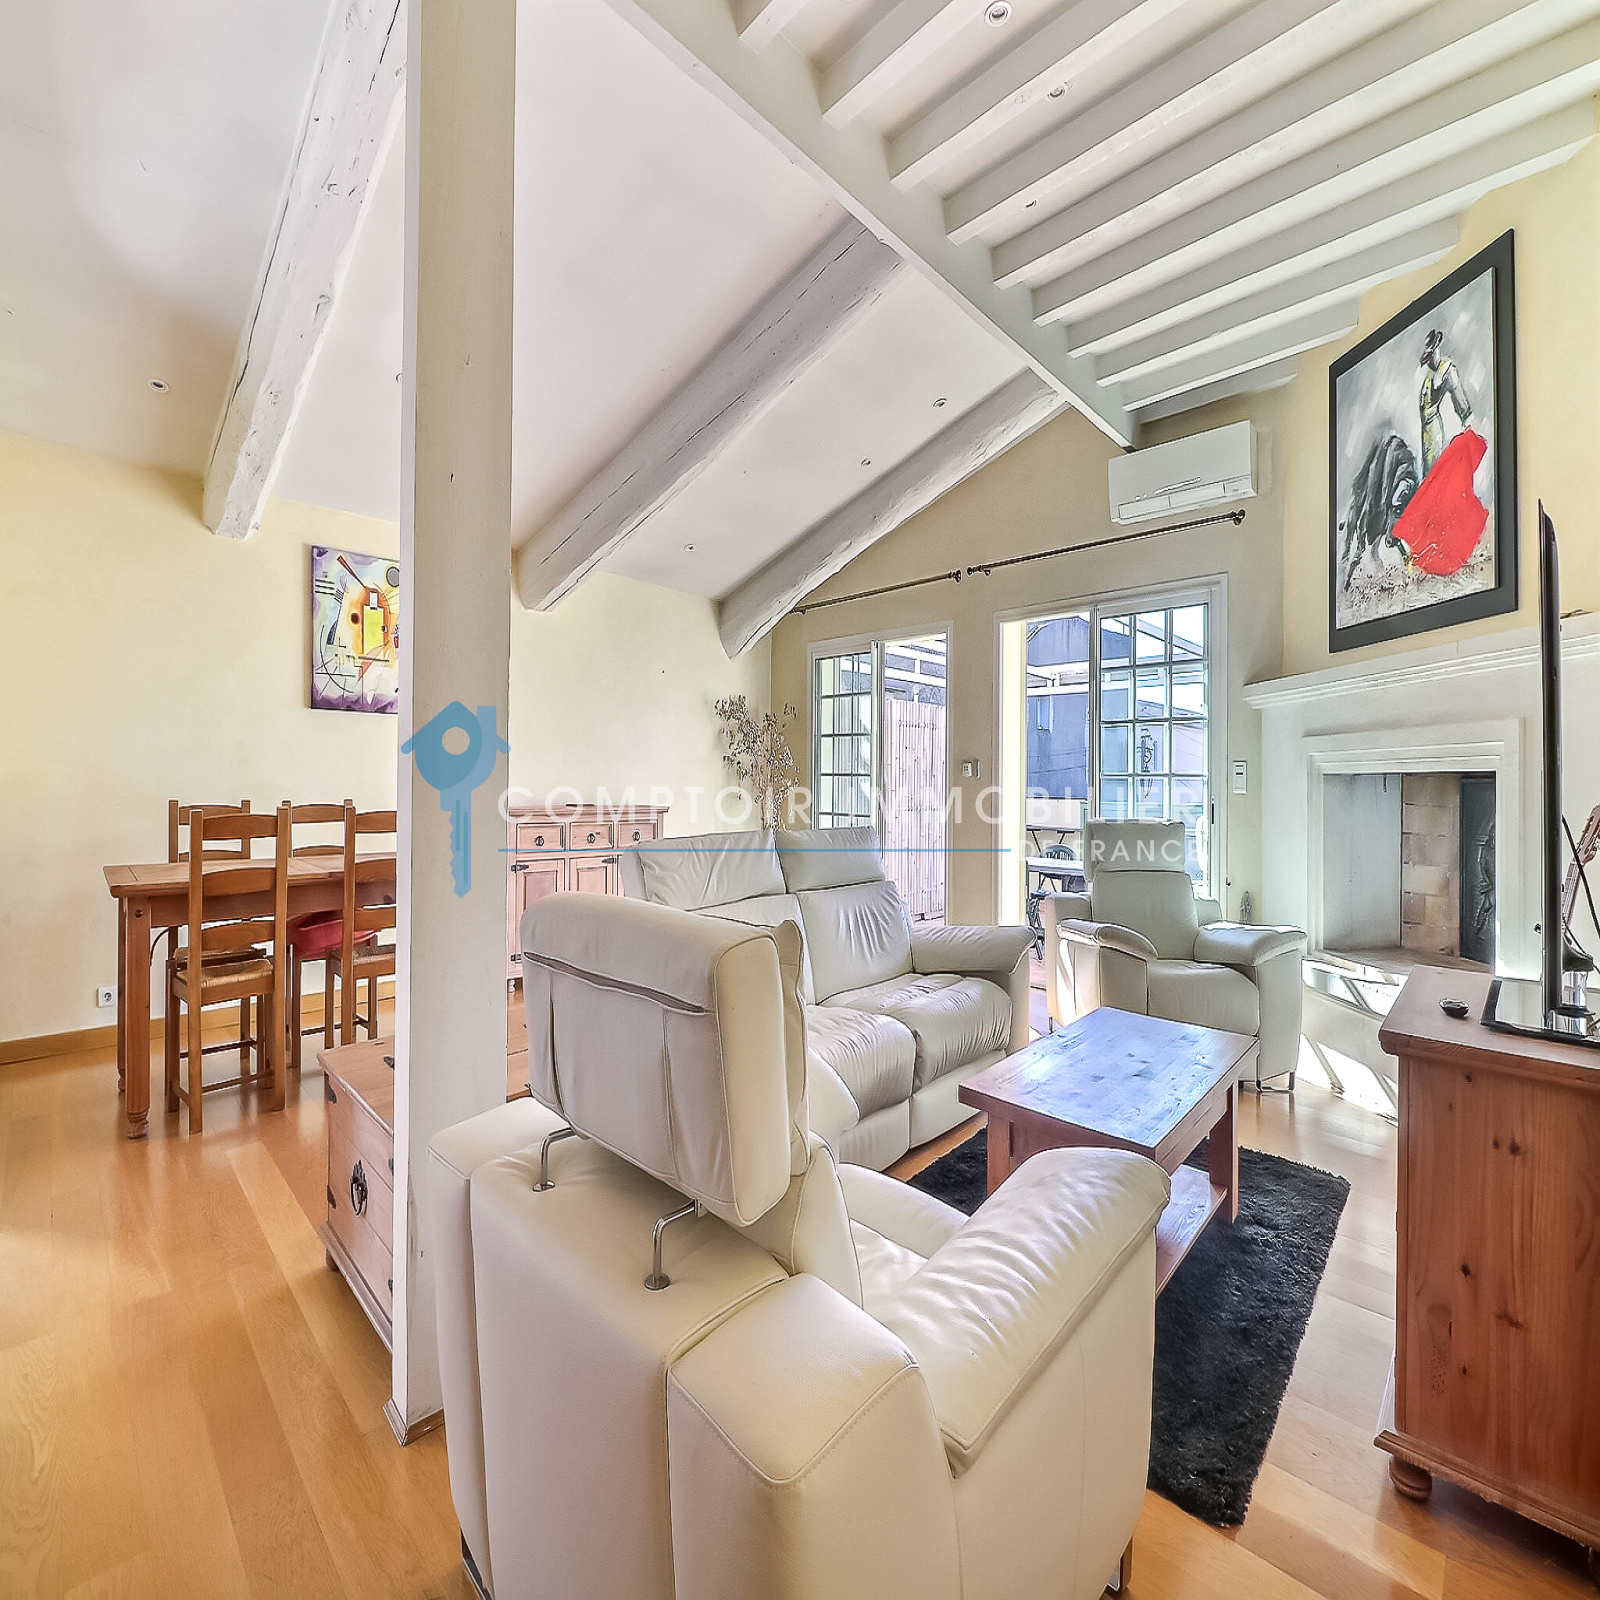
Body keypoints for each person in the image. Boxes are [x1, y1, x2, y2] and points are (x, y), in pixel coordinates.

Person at [1418, 328, 1473, 474]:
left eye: (1430, 357)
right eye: (1427, 359)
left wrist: (1465, 417)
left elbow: (1457, 391)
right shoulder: (1429, 377)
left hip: (1435, 427)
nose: (1429, 362)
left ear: (1436, 350)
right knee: (1428, 466)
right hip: (1426, 430)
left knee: (1434, 465)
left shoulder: (1446, 368)